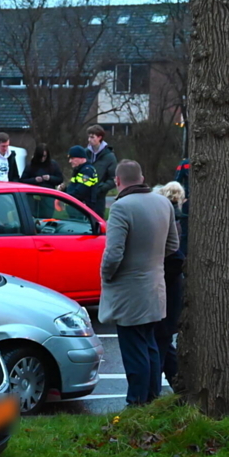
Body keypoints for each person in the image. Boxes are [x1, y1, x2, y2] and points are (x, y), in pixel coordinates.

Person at [98, 160, 179, 406]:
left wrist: (106, 275)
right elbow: (173, 246)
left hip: (129, 292)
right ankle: (153, 399)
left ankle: (136, 402)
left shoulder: (121, 207)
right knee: (151, 346)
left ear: (118, 181)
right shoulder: (164, 203)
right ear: (142, 177)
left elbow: (113, 254)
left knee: (134, 351)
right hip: (156, 288)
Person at [152, 181, 187, 391]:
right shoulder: (175, 218)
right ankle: (180, 387)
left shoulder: (168, 222)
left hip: (165, 293)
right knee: (163, 344)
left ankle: (153, 391)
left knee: (160, 344)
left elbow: (174, 258)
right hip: (169, 293)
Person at [62, 146, 102, 218]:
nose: (70, 161)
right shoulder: (79, 170)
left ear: (81, 158)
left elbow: (80, 193)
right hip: (77, 210)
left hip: (82, 211)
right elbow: (74, 188)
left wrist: (64, 196)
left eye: (72, 158)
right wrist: (64, 189)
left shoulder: (87, 171)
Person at [86, 124, 118, 200]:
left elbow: (113, 178)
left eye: (92, 137)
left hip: (99, 198)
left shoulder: (109, 156)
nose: (89, 140)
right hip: (83, 195)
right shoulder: (85, 153)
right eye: (89, 137)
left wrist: (100, 189)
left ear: (99, 137)